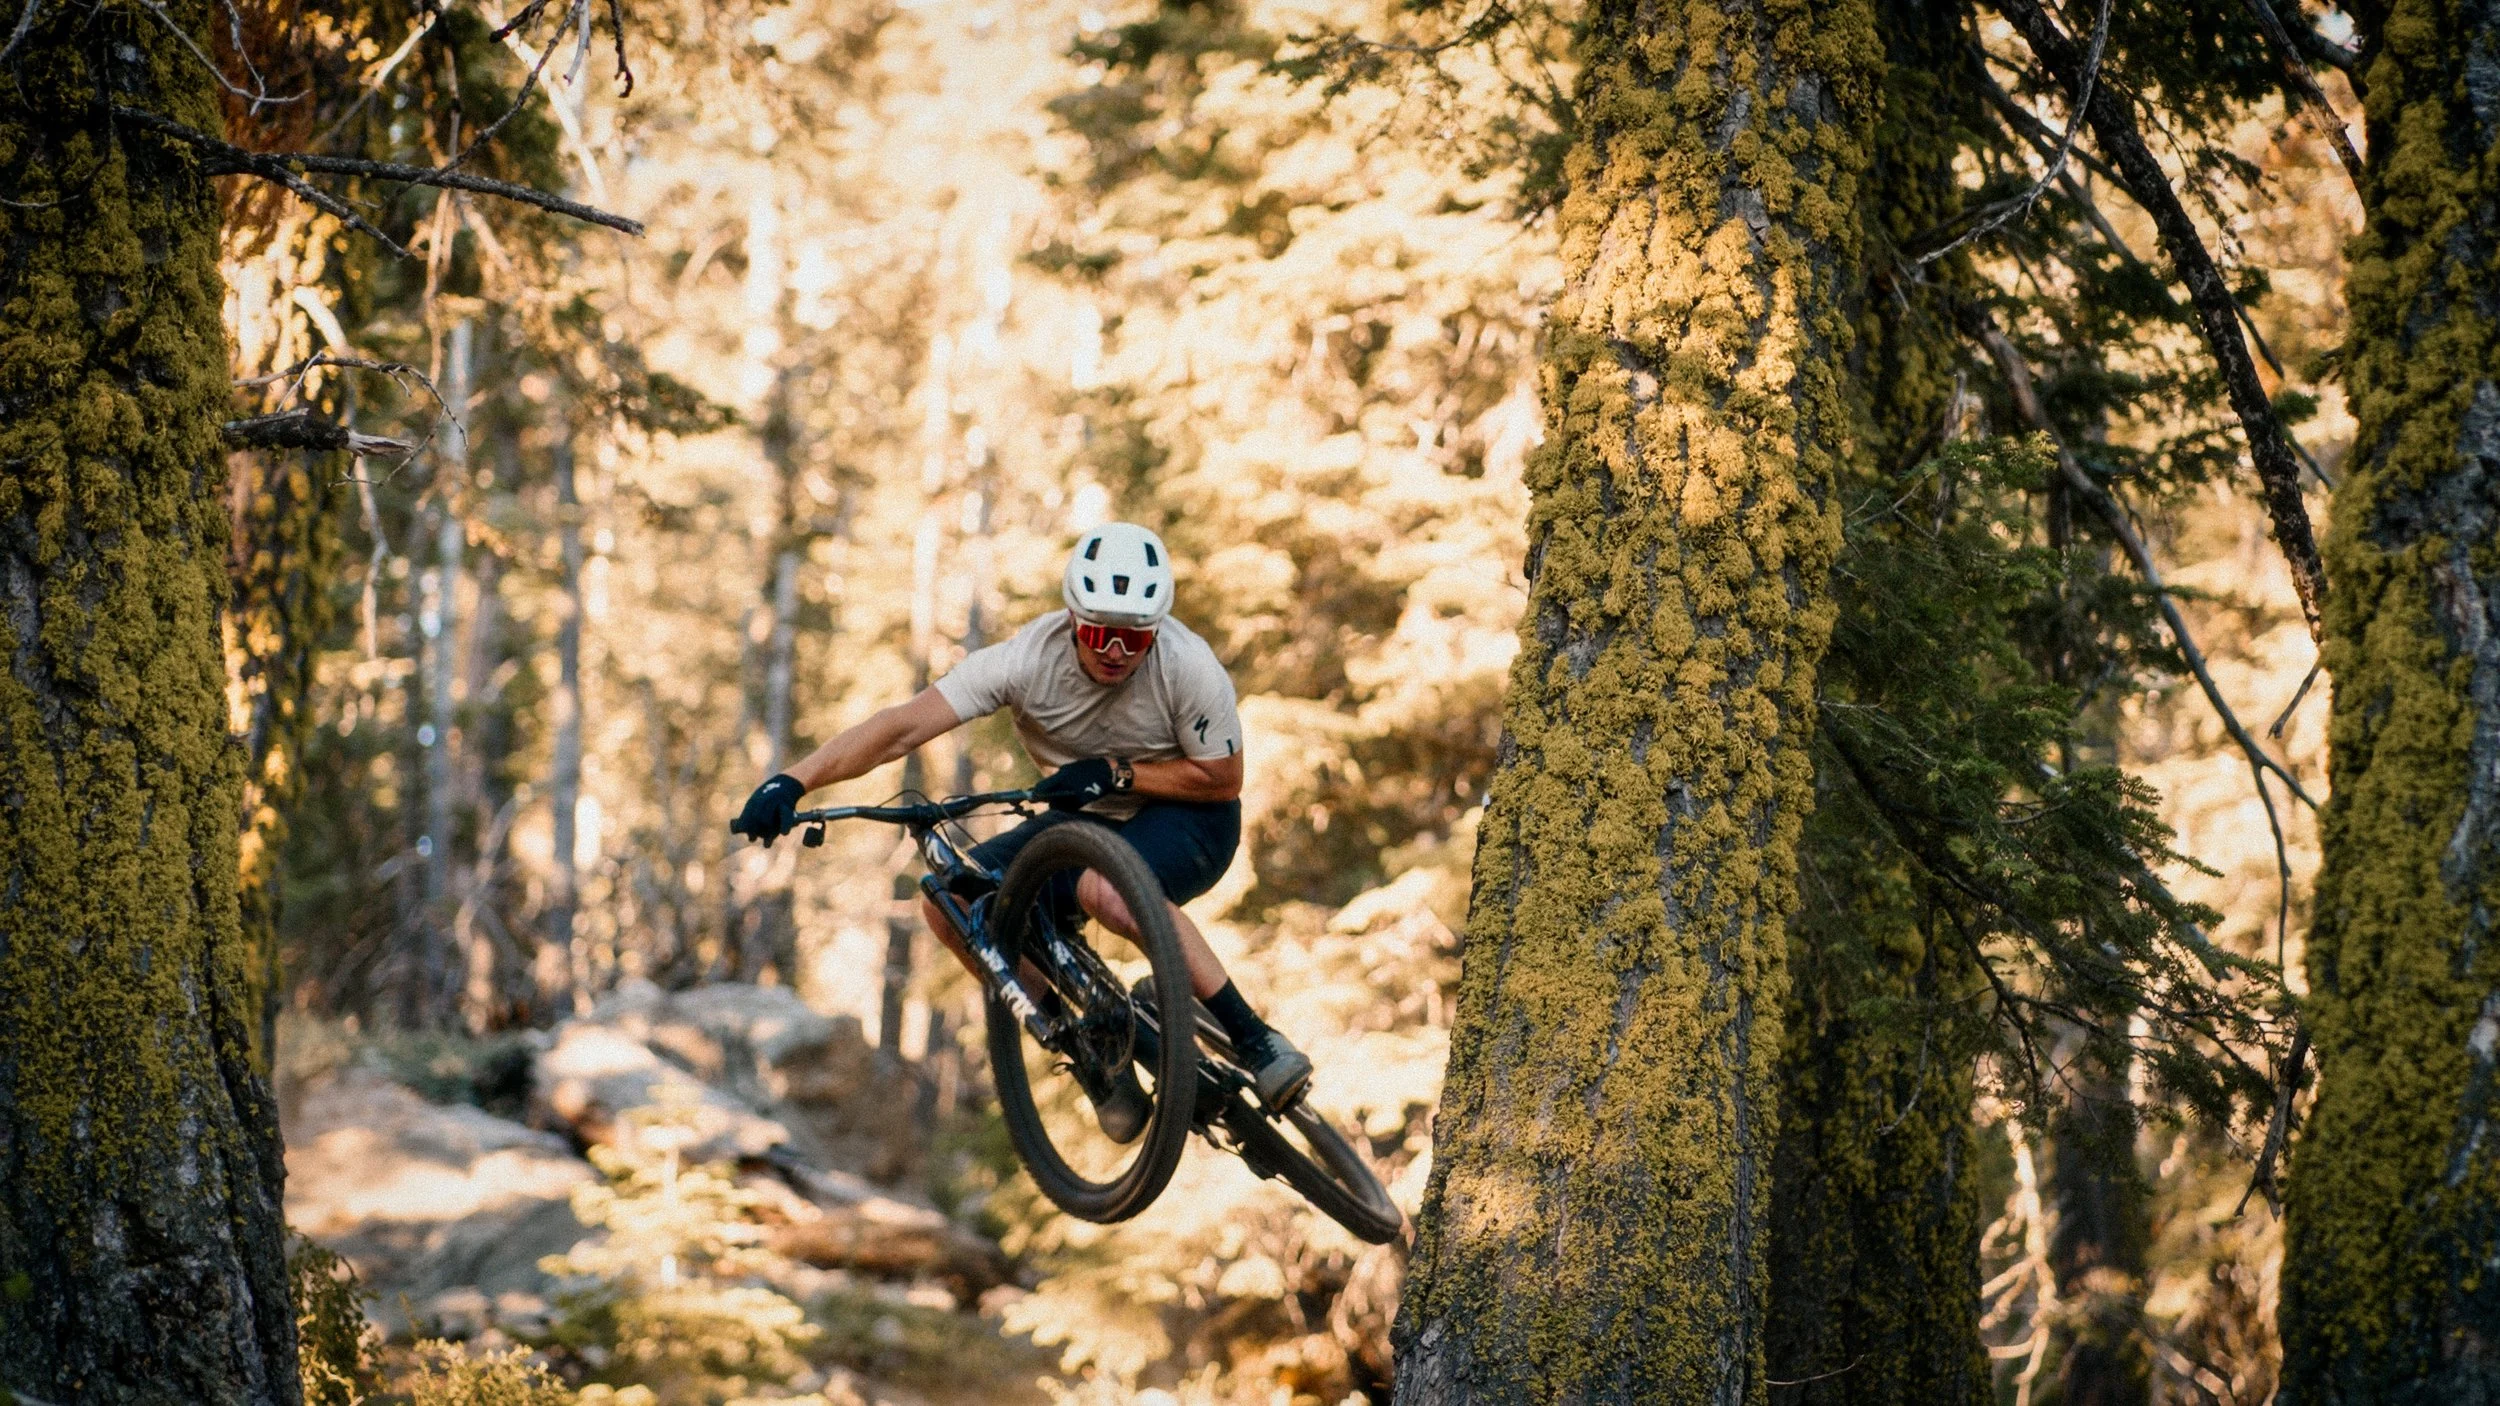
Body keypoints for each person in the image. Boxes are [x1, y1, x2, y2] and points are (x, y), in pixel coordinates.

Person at [730, 521, 1311, 1142]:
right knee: (952, 904)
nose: (1117, 651)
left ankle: (1257, 1041)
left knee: (1104, 887)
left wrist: (1118, 772)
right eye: (1101, 633)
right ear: (1073, 620)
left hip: (1193, 818)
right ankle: (1085, 1047)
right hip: (1087, 823)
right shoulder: (1025, 663)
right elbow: (901, 727)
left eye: (1135, 638)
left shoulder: (1188, 666)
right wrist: (793, 781)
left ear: (1156, 631)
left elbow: (1222, 779)